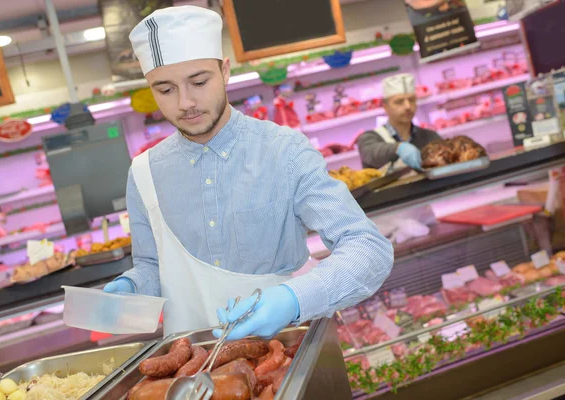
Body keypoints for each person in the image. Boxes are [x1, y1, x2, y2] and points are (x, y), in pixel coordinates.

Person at [103, 5, 393, 340]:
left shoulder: (284, 151)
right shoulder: (143, 174)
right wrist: (133, 286)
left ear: (225, 71)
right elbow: (155, 267)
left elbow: (367, 246)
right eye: (165, 90)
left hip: (285, 356)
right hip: (191, 372)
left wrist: (294, 298)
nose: (185, 102)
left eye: (199, 81)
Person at [357, 73, 442, 170]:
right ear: (385, 107)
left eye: (411, 100)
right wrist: (398, 148)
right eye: (399, 102)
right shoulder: (369, 138)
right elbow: (372, 153)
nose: (408, 106)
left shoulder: (430, 137)